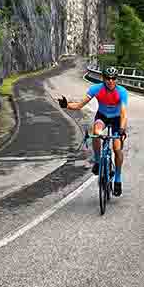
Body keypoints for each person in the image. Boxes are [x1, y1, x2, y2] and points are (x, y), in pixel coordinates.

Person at [58, 67, 128, 196]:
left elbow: (123, 114)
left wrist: (122, 129)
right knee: (96, 132)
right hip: (102, 117)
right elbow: (80, 105)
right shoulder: (96, 89)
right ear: (103, 79)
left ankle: (117, 179)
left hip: (117, 119)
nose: (110, 81)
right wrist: (66, 105)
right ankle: (97, 161)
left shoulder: (121, 92)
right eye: (108, 78)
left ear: (117, 79)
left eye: (113, 79)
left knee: (117, 149)